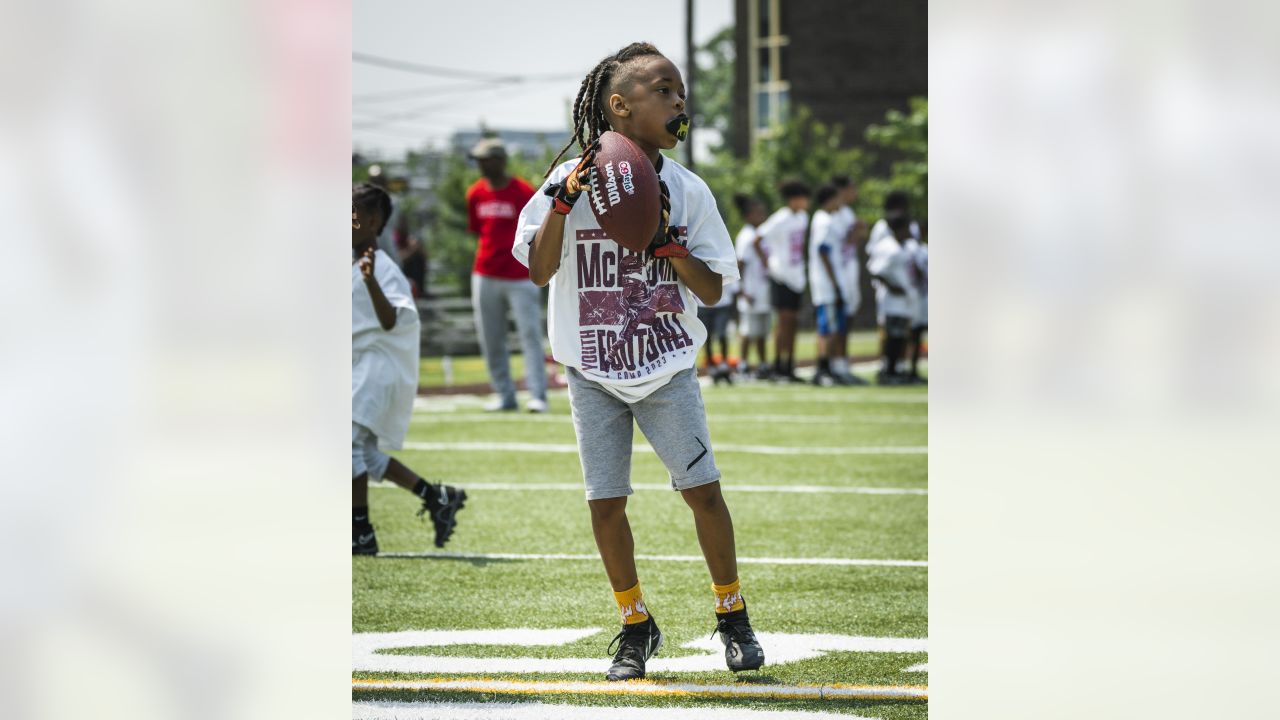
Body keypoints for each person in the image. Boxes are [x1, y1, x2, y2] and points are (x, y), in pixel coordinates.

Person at [514, 42, 764, 682]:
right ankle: (634, 624)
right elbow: (541, 271)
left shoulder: (685, 188)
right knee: (605, 504)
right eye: (665, 90)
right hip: (591, 367)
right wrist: (564, 204)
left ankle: (731, 614)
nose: (680, 101)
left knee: (703, 494)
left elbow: (711, 289)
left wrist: (670, 248)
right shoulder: (561, 183)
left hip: (664, 365)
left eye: (681, 91)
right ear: (620, 106)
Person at [352, 184, 467, 555]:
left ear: (373, 221)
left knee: (346, 443)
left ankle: (361, 534)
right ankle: (436, 497)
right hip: (361, 366)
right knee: (365, 455)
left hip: (379, 368)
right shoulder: (353, 261)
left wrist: (371, 283)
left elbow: (389, 320)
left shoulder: (382, 267)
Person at [465, 138, 549, 413]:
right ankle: (505, 395)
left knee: (529, 335)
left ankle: (537, 395)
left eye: (485, 159)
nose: (480, 164)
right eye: (477, 159)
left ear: (500, 160)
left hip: (520, 276)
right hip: (485, 274)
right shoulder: (475, 193)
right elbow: (478, 231)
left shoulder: (522, 190)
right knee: (490, 337)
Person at [758, 180, 811, 383]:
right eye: (804, 198)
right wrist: (769, 264)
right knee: (783, 322)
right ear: (794, 199)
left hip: (797, 277)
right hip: (781, 276)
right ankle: (778, 366)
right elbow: (758, 239)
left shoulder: (803, 218)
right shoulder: (780, 218)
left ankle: (789, 365)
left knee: (793, 323)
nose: (807, 202)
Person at [866, 212, 918, 385]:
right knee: (892, 338)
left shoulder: (905, 246)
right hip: (892, 301)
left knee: (901, 336)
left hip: (905, 300)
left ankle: (897, 370)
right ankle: (887, 371)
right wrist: (892, 286)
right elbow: (875, 270)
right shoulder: (888, 247)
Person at [807, 184, 846, 386]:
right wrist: (835, 283)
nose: (840, 203)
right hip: (826, 284)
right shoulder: (825, 221)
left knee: (830, 327)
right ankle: (823, 369)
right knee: (827, 328)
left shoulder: (822, 219)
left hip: (827, 282)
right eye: (837, 198)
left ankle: (827, 368)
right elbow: (823, 250)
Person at [831, 175, 869, 385]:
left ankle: (843, 363)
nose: (855, 193)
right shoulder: (834, 215)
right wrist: (856, 231)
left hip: (849, 271)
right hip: (840, 274)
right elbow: (840, 243)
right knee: (839, 321)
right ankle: (837, 365)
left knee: (848, 319)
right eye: (852, 188)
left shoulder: (847, 213)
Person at [733, 194, 772, 379]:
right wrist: (742, 290)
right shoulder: (746, 236)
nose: (762, 216)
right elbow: (740, 264)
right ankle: (743, 365)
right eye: (757, 213)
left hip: (763, 289)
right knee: (748, 331)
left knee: (762, 331)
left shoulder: (761, 234)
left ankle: (763, 365)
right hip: (750, 291)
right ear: (748, 216)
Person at [697, 269, 737, 385]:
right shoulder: (699, 257)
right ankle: (711, 366)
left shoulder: (722, 259)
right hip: (703, 305)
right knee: (706, 337)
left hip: (723, 304)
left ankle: (724, 365)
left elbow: (733, 285)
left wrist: (734, 310)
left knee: (722, 334)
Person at [909, 219, 928, 382]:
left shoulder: (924, 249)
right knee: (914, 333)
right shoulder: (912, 249)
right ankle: (909, 369)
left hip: (925, 296)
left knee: (920, 331)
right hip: (916, 296)